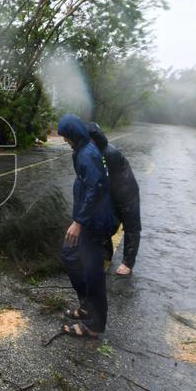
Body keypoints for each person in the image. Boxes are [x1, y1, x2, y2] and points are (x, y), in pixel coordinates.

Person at [57, 114, 119, 339]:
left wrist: (79, 222)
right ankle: (86, 306)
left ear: (74, 134)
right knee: (70, 255)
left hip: (94, 223)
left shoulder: (87, 154)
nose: (64, 141)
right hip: (89, 220)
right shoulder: (84, 150)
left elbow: (96, 188)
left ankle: (94, 324)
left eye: (65, 136)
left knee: (93, 273)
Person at [87, 122, 142, 276]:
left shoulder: (107, 153)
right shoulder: (95, 151)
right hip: (112, 192)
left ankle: (127, 263)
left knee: (131, 226)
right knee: (104, 223)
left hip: (127, 192)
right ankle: (105, 256)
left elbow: (99, 180)